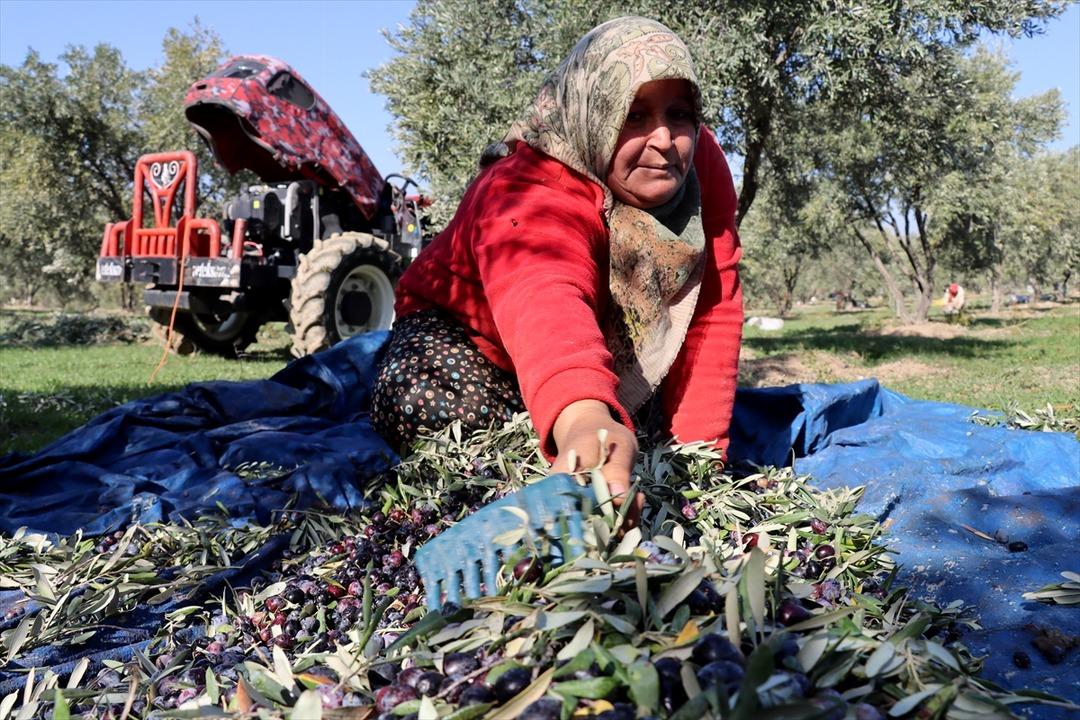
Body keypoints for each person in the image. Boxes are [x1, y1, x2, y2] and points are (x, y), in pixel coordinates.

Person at [371, 17, 743, 522]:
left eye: (679, 114)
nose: (663, 139)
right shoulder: (526, 185)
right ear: (596, 112)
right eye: (633, 115)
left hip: (595, 354)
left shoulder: (701, 165)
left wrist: (704, 462)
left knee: (654, 450)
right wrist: (584, 419)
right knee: (424, 402)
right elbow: (545, 298)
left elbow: (713, 305)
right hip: (473, 343)